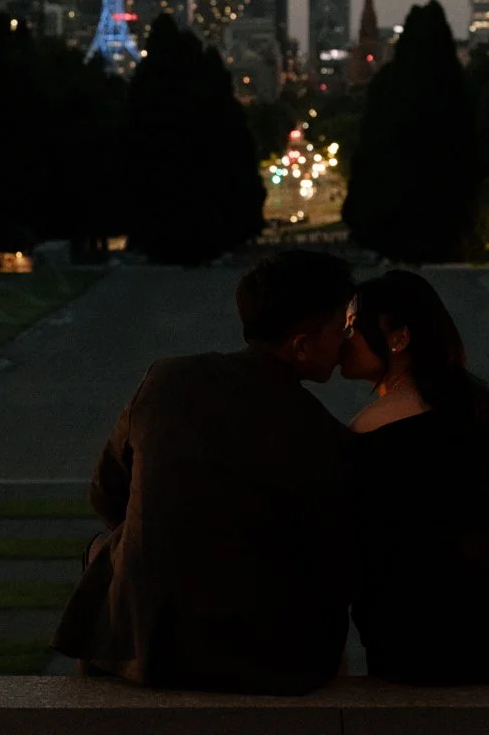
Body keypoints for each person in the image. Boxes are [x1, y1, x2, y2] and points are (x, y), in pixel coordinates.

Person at [52, 250, 357, 694]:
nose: (347, 341)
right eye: (341, 329)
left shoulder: (167, 380)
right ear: (302, 345)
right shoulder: (329, 437)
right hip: (279, 659)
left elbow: (105, 492)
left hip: (149, 646)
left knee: (108, 548)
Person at [338, 269, 489, 684]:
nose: (345, 339)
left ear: (399, 338)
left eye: (356, 327)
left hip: (423, 639)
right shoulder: (469, 406)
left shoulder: (371, 432)